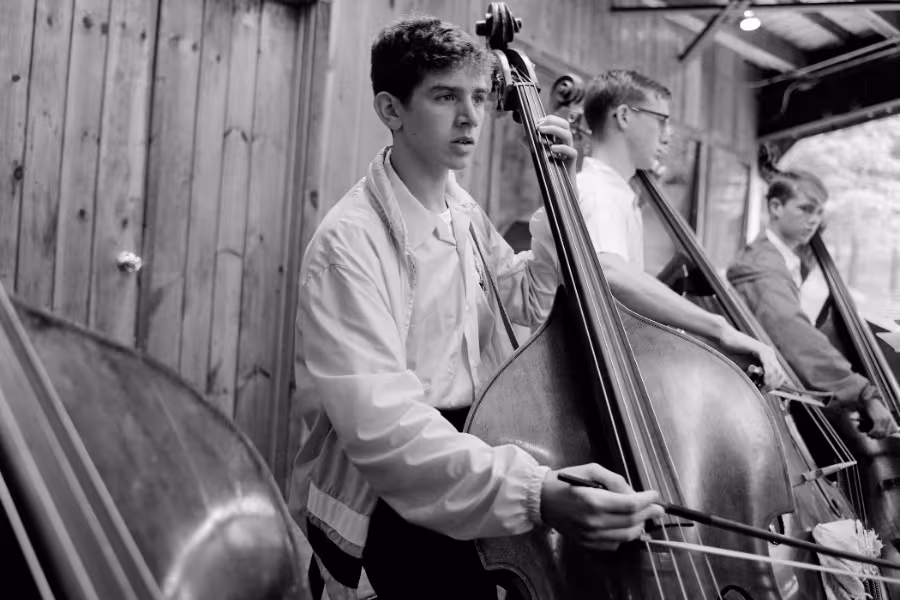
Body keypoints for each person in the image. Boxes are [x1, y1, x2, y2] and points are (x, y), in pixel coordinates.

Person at [287, 17, 662, 600]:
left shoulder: (461, 212)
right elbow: (384, 429)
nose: (470, 117)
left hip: (473, 450)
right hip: (389, 493)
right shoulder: (349, 244)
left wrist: (557, 201)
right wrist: (536, 493)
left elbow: (525, 301)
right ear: (391, 109)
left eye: (480, 98)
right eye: (445, 97)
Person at [534, 69, 788, 389]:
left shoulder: (616, 193)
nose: (667, 136)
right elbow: (608, 271)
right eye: (661, 120)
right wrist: (719, 328)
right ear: (624, 116)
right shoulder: (599, 192)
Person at [727, 169, 900, 439]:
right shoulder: (763, 268)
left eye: (819, 213)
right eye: (805, 209)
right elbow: (797, 339)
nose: (814, 221)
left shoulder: (785, 257)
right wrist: (861, 392)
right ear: (775, 207)